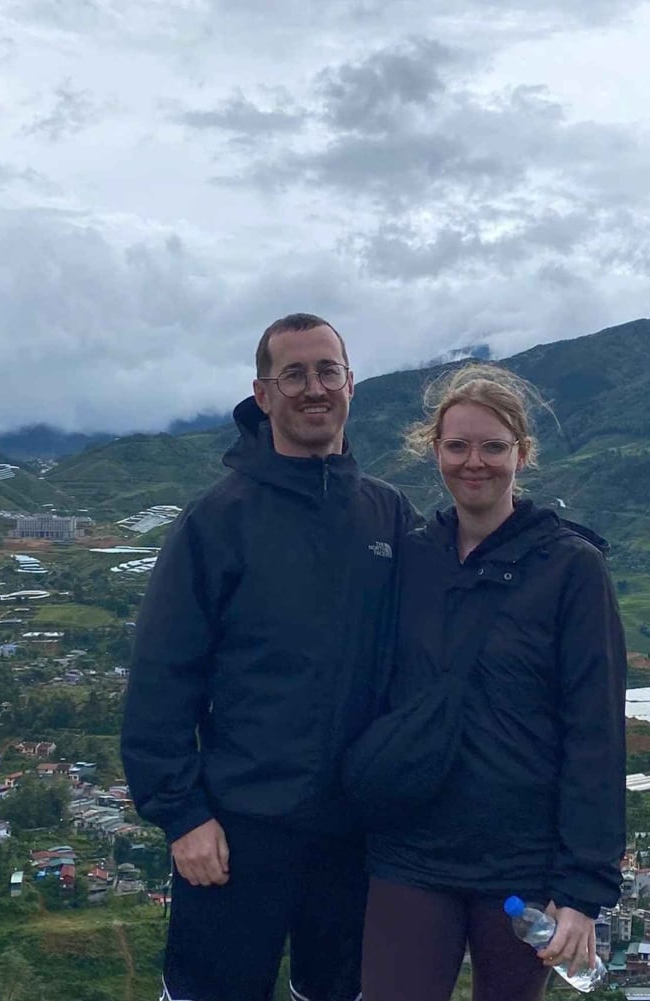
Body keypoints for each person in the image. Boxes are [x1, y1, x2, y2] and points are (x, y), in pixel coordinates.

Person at [120, 313, 417, 1001]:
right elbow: (163, 679)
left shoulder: (389, 516)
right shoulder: (216, 520)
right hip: (233, 832)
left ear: (352, 384)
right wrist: (182, 814)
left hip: (353, 835)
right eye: (294, 374)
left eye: (327, 371)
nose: (314, 388)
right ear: (262, 392)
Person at [360, 364, 628, 1001]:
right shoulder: (410, 559)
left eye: (493, 446)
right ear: (435, 452)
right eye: (457, 446)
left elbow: (595, 735)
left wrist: (582, 892)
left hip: (520, 867)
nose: (473, 462)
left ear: (522, 454)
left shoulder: (571, 569)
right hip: (411, 850)